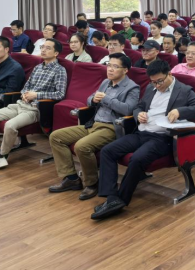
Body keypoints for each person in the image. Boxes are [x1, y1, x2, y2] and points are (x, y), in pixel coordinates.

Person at [92, 60, 195, 219]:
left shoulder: (184, 90)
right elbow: (139, 106)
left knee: (137, 158)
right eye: (153, 82)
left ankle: (121, 200)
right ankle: (111, 197)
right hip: (142, 133)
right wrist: (139, 114)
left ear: (169, 74)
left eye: (160, 81)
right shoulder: (150, 87)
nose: (157, 85)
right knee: (108, 151)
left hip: (162, 138)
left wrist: (180, 111)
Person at [48, 53, 139, 200]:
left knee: (82, 146)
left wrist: (107, 99)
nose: (110, 69)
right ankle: (71, 178)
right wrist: (93, 100)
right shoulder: (106, 82)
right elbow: (89, 99)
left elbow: (128, 110)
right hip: (93, 124)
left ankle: (92, 183)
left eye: (115, 66)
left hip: (111, 128)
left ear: (125, 70)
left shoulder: (132, 87)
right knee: (56, 137)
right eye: (109, 65)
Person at [0, 39, 68, 172]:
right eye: (42, 47)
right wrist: (24, 94)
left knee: (10, 125)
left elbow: (60, 94)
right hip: (20, 104)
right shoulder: (38, 67)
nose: (43, 50)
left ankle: (2, 156)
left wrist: (36, 95)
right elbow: (26, 87)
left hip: (35, 109)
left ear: (56, 53)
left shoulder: (60, 70)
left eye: (48, 48)